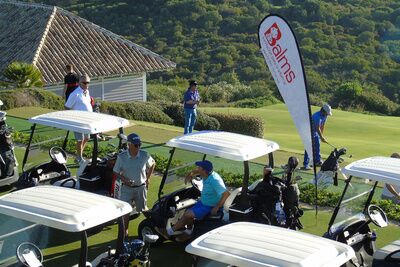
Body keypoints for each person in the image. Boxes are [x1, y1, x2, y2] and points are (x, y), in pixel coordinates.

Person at [166, 160, 230, 237]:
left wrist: (217, 207)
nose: (197, 168)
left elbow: (226, 194)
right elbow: (197, 171)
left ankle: (169, 232)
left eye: (199, 167)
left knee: (187, 214)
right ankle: (189, 231)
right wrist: (190, 174)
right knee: (187, 212)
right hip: (203, 202)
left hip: (210, 206)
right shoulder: (206, 174)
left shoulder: (215, 180)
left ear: (204, 170)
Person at [113, 133, 155, 236]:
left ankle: (154, 228)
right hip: (126, 189)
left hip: (141, 188)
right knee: (125, 211)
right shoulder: (122, 157)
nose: (138, 147)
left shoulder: (145, 155)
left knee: (143, 209)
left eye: (139, 145)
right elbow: (115, 171)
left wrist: (148, 178)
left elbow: (153, 164)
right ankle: (124, 231)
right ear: (129, 144)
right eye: (136, 145)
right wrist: (125, 179)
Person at [65, 74, 93, 162]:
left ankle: (78, 155)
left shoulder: (87, 92)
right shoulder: (74, 94)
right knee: (80, 139)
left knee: (87, 138)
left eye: (88, 83)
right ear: (79, 83)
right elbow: (67, 107)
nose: (86, 85)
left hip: (87, 120)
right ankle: (79, 157)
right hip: (78, 121)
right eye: (84, 83)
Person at [303, 103, 332, 170]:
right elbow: (317, 127)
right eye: (327, 113)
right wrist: (321, 137)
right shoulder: (317, 116)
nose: (327, 114)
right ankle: (306, 164)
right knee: (309, 147)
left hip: (315, 132)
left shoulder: (325, 115)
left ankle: (317, 161)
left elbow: (322, 125)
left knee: (317, 145)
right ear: (323, 111)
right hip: (308, 132)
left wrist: (321, 136)